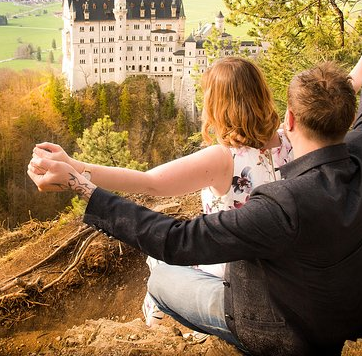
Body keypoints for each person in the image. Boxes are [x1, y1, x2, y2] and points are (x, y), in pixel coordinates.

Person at [28, 33, 362, 355]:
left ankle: (159, 331)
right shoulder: (360, 154)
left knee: (159, 273)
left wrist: (78, 177)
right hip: (355, 312)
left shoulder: (240, 171)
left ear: (292, 117)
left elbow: (153, 190)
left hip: (281, 320)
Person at [33, 57, 293, 327]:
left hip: (238, 277)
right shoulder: (290, 139)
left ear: (217, 106)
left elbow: (149, 182)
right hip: (287, 270)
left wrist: (76, 168)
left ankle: (155, 331)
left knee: (159, 261)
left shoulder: (224, 158)